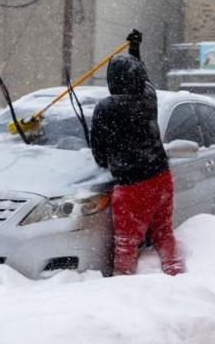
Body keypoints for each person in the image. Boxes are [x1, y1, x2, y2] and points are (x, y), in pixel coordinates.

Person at [90, 29, 184, 276]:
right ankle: (176, 272)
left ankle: (125, 284)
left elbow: (99, 155)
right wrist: (134, 50)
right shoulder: (149, 98)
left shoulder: (105, 108)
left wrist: (108, 157)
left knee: (126, 243)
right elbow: (142, 78)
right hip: (161, 178)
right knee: (163, 232)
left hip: (132, 186)